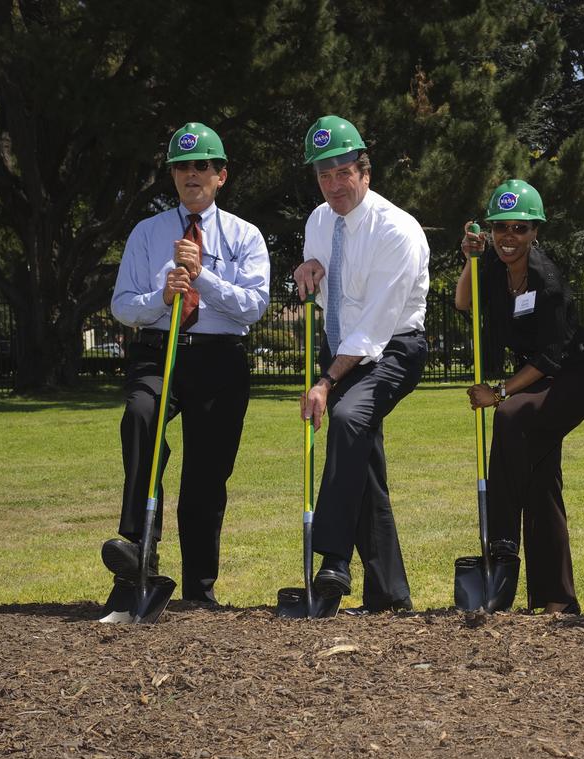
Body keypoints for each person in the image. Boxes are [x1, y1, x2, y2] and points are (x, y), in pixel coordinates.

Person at [102, 122, 269, 612]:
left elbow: (253, 307)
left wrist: (204, 277)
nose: (190, 175)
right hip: (161, 351)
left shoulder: (245, 235)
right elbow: (122, 305)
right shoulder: (147, 232)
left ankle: (199, 590)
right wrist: (161, 297)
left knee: (206, 475)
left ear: (221, 175)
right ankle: (138, 550)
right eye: (181, 167)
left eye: (201, 166)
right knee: (141, 415)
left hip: (220, 360)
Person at [293, 115, 430, 615]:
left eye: (343, 173)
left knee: (349, 419)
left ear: (365, 172)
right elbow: (320, 283)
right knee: (361, 462)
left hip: (394, 348)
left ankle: (333, 559)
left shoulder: (397, 231)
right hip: (343, 352)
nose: (334, 185)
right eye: (324, 176)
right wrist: (307, 271)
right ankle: (390, 595)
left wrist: (326, 382)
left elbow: (374, 327)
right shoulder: (318, 220)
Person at [454, 180, 584, 614]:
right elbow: (463, 302)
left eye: (520, 228)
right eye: (501, 227)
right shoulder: (493, 267)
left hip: (570, 380)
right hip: (534, 379)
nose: (509, 237)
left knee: (510, 416)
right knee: (540, 479)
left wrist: (499, 392)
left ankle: (502, 541)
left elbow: (550, 357)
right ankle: (557, 599)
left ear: (535, 231)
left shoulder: (547, 281)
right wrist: (470, 260)